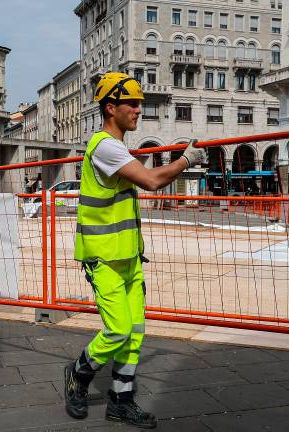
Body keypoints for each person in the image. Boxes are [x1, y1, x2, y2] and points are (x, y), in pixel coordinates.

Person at [64, 72, 206, 429]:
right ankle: (79, 374)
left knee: (136, 331)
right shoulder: (106, 147)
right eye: (132, 103)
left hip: (128, 257)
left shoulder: (118, 149)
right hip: (104, 258)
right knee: (118, 330)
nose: (139, 110)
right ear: (111, 108)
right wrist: (187, 158)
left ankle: (120, 401)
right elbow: (154, 182)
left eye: (140, 103)